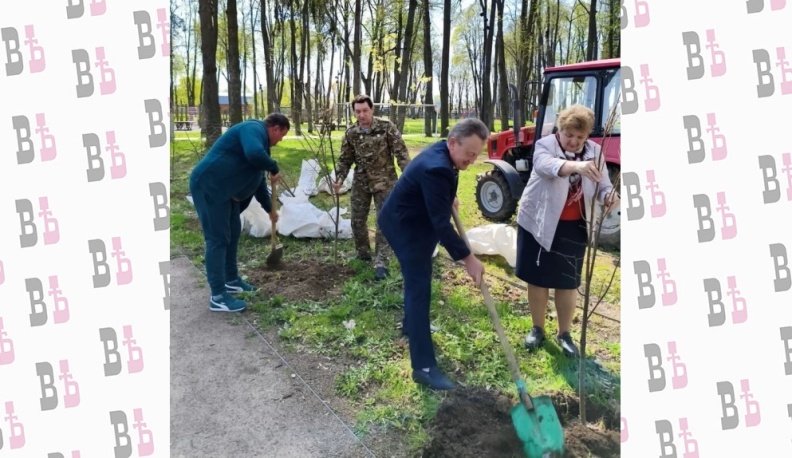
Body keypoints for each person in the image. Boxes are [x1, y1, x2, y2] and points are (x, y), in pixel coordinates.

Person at [377, 118, 488, 390]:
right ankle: (424, 368)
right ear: (453, 142)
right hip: (404, 227)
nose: (472, 160)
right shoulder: (437, 167)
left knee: (419, 280)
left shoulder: (444, 154)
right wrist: (469, 259)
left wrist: (445, 196)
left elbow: (440, 186)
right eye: (469, 153)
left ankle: (410, 325)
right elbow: (441, 224)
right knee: (419, 287)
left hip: (415, 219)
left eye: (476, 155)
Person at [515, 104, 620, 357]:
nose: (574, 141)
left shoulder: (594, 151)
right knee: (537, 278)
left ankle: (564, 334)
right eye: (569, 135)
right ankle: (537, 328)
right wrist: (576, 167)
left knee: (567, 282)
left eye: (580, 137)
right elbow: (545, 166)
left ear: (587, 136)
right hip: (539, 222)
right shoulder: (545, 145)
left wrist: (609, 195)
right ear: (559, 130)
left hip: (574, 227)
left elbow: (603, 184)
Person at [189, 113, 290, 313]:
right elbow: (253, 154)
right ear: (275, 128)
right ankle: (218, 296)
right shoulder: (252, 129)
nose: (281, 140)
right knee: (218, 239)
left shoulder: (262, 144)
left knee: (234, 231)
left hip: (227, 193)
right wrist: (273, 166)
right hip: (210, 187)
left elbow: (258, 181)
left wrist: (270, 209)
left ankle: (231, 280)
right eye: (282, 135)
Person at [333, 94, 411, 281]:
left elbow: (401, 154)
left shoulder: (386, 127)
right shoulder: (351, 133)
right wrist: (339, 178)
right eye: (357, 111)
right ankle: (363, 254)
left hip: (385, 182)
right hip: (361, 182)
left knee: (384, 222)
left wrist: (409, 176)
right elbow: (345, 159)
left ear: (372, 109)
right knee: (357, 220)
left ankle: (381, 262)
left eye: (365, 111)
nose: (361, 115)